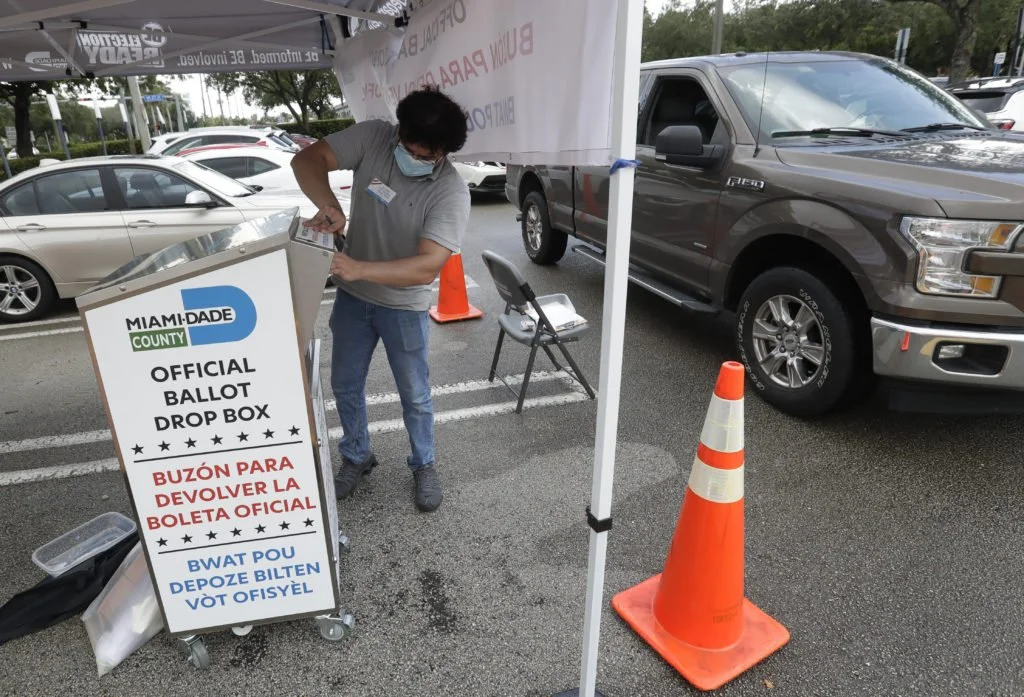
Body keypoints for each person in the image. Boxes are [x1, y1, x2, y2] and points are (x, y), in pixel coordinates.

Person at [291, 86, 471, 513]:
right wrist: (330, 205)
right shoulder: (375, 137)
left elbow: (428, 266)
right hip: (354, 300)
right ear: (399, 133)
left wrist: (360, 268)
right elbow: (306, 160)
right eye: (414, 149)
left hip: (403, 306)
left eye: (432, 156)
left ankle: (424, 464)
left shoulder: (450, 192)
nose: (422, 159)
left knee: (414, 392)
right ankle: (357, 454)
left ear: (445, 152)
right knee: (345, 383)